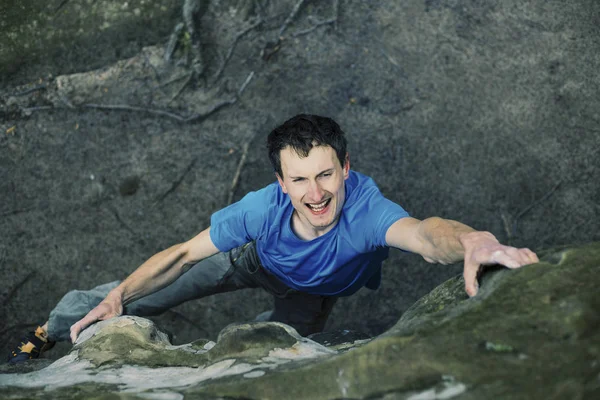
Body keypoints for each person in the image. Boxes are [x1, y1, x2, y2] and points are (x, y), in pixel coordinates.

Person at [7, 114, 539, 363]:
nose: (316, 193)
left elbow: (425, 236)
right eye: (300, 180)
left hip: (312, 291)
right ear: (281, 182)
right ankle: (52, 329)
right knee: (137, 294)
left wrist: (475, 240)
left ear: (346, 169)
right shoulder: (261, 209)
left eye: (327, 175)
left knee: (274, 347)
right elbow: (185, 255)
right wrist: (121, 296)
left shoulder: (367, 210)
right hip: (250, 259)